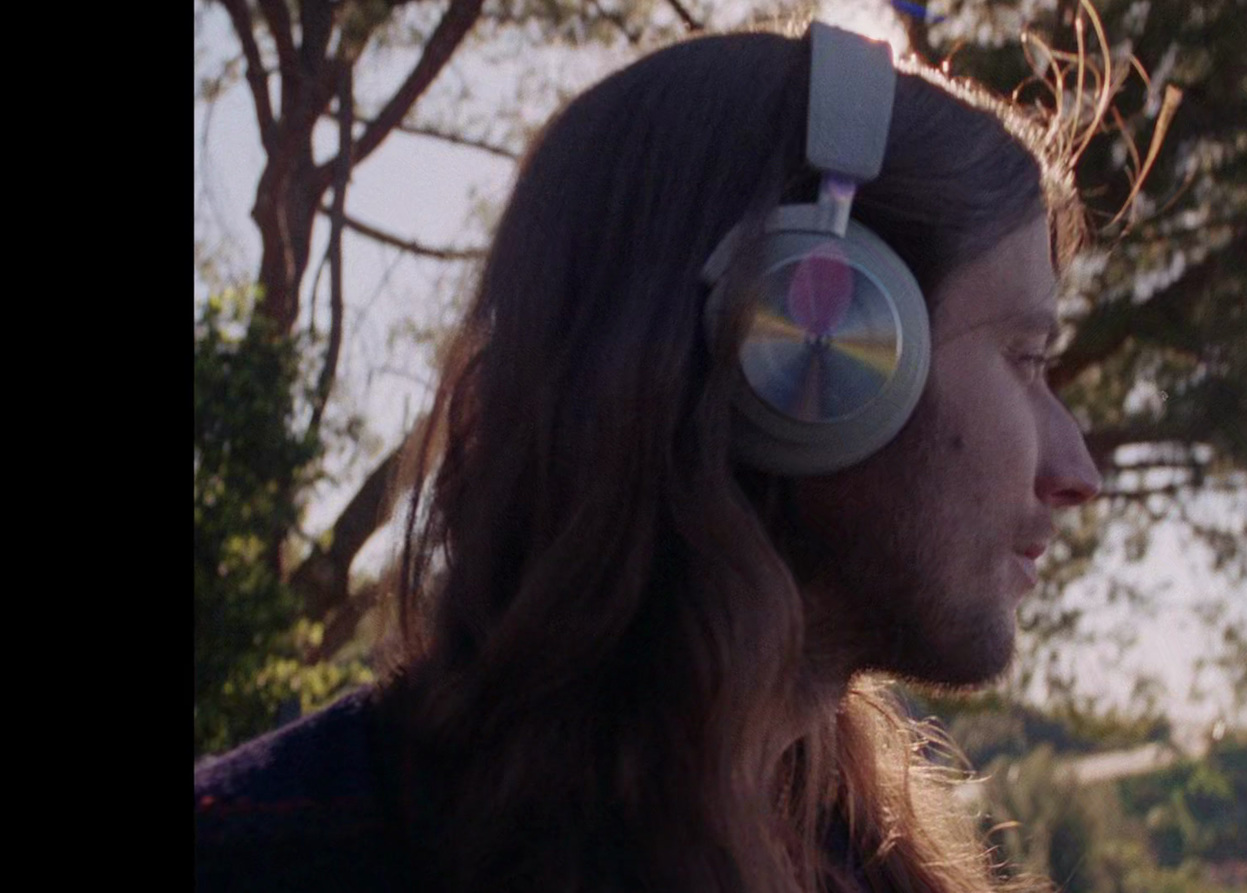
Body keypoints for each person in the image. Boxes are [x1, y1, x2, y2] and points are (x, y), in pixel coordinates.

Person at [195, 20, 1102, 893]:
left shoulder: (866, 862)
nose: (1076, 471)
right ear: (796, 344)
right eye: (1026, 358)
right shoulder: (255, 854)